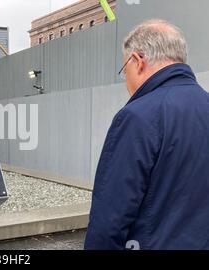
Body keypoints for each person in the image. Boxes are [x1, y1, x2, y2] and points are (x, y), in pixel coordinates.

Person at [84, 19, 209, 250]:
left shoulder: (138, 116)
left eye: (125, 70)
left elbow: (109, 219)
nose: (126, 82)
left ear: (137, 61)